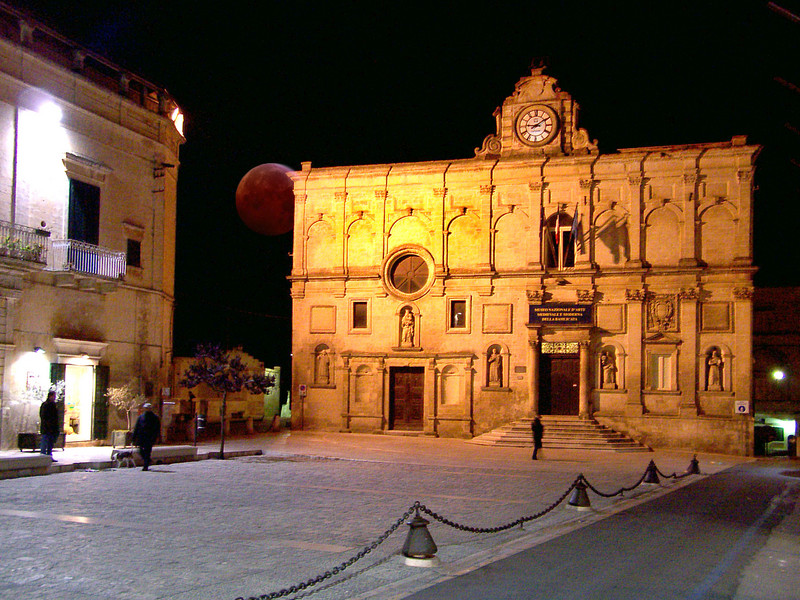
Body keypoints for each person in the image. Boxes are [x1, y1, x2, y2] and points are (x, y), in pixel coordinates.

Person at [132, 402, 161, 471]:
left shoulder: (155, 418)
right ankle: (147, 460)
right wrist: (134, 437)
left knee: (148, 451)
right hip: (141, 437)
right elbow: (137, 427)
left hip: (150, 437)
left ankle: (146, 465)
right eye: (146, 408)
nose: (147, 409)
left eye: (149, 408)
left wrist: (156, 437)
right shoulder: (141, 417)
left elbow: (157, 428)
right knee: (141, 450)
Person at [39, 390, 59, 459]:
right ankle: (43, 457)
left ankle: (49, 456)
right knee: (45, 442)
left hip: (52, 428)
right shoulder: (46, 405)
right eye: (53, 396)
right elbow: (43, 416)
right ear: (50, 396)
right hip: (47, 427)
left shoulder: (53, 405)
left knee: (50, 444)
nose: (54, 397)